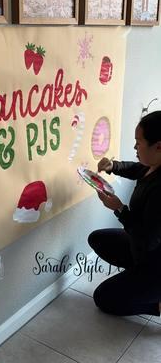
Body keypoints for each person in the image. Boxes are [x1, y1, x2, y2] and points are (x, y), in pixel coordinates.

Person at [88, 110, 161, 317]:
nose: (135, 147)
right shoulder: (153, 166)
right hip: (144, 252)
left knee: (103, 298)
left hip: (154, 259)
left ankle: (156, 304)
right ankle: (138, 281)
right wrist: (114, 166)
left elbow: (148, 240)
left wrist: (119, 209)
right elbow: (137, 169)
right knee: (98, 239)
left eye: (139, 142)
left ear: (159, 146)